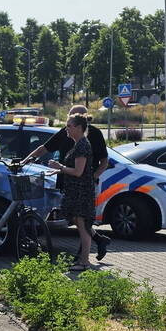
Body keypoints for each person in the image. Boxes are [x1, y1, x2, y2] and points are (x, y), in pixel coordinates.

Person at [24, 105, 112, 260]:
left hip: (85, 185)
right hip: (69, 183)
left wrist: (92, 178)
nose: (67, 126)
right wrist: (26, 161)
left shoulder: (93, 136)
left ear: (80, 123)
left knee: (82, 219)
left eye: (71, 123)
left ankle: (82, 257)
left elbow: (104, 162)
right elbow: (44, 148)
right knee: (74, 218)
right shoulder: (67, 134)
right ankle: (98, 240)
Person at [49, 113, 95, 272]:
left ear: (78, 128)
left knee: (83, 226)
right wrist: (59, 171)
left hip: (81, 193)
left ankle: (84, 262)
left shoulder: (82, 145)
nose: (66, 129)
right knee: (81, 224)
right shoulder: (78, 144)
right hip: (76, 191)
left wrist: (59, 167)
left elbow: (77, 172)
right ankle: (83, 261)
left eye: (69, 126)